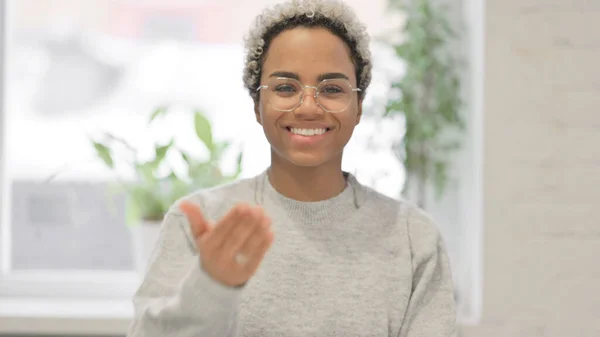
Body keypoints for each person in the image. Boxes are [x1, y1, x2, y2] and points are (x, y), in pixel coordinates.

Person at [127, 0, 458, 336]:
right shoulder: (201, 223)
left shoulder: (413, 238)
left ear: (359, 107)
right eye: (286, 87)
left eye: (331, 89)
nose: (309, 107)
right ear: (257, 105)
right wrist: (210, 287)